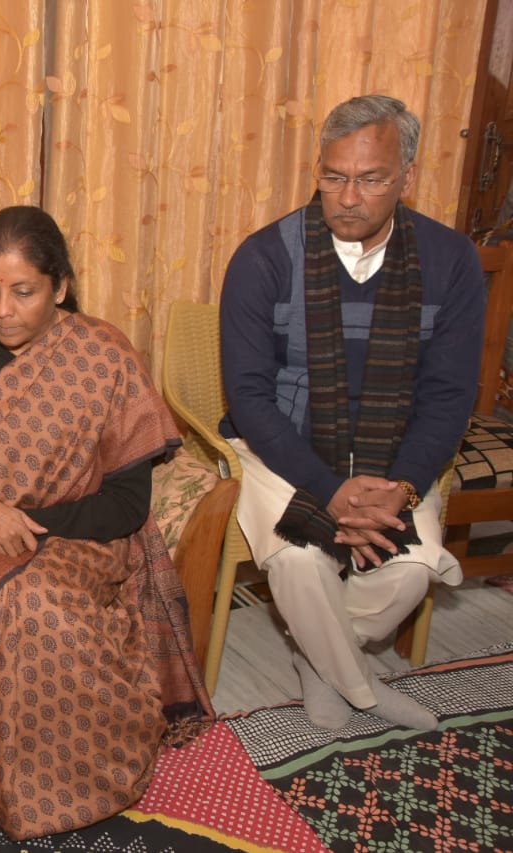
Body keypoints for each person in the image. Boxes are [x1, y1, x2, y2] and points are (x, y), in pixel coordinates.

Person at [0, 205, 212, 841]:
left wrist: (26, 521)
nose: (3, 309)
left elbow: (125, 505)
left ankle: (67, 795)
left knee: (36, 599)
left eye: (23, 291)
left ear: (59, 287)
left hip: (73, 536)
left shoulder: (104, 356)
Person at [219, 94, 485, 732]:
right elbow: (250, 398)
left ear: (408, 177)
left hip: (393, 460)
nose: (347, 197)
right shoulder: (264, 258)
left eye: (370, 180)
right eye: (333, 177)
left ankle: (320, 664)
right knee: (299, 559)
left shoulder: (450, 262)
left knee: (412, 569)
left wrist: (401, 488)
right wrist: (331, 490)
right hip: (282, 452)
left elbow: (449, 396)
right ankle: (364, 689)